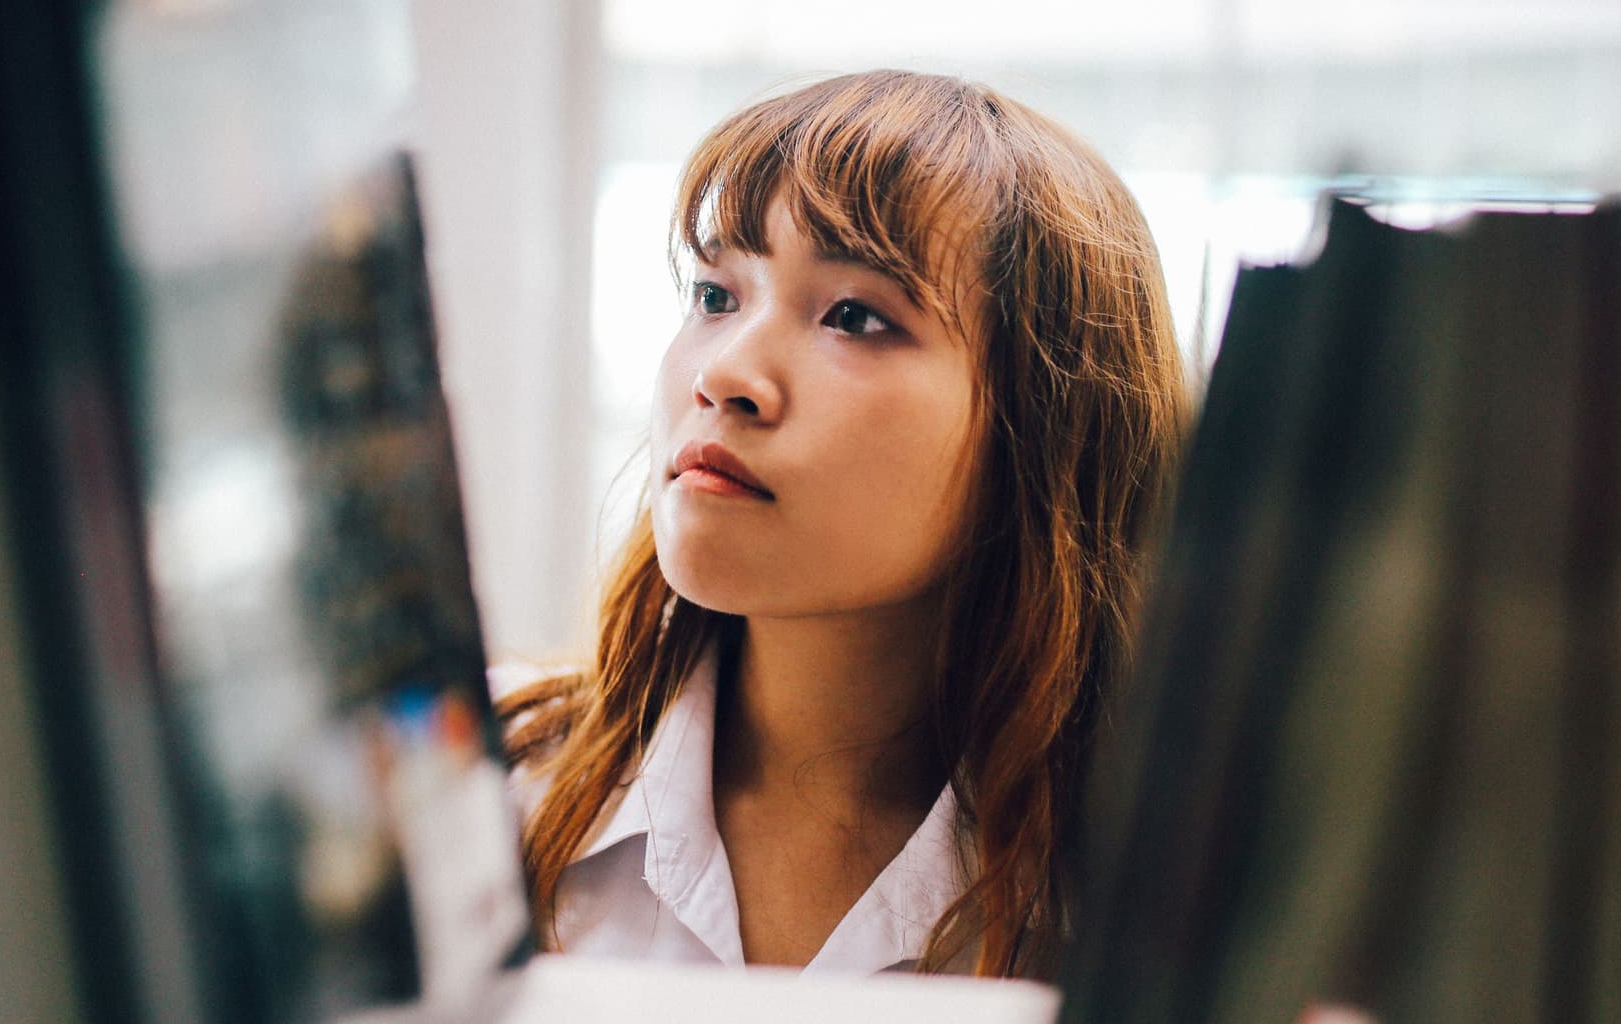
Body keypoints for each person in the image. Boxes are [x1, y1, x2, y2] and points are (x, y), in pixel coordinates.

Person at [494, 70, 1188, 980]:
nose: (727, 373)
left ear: (1048, 430)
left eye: (854, 316)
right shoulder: (487, 797)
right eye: (714, 296)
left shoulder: (1160, 900)